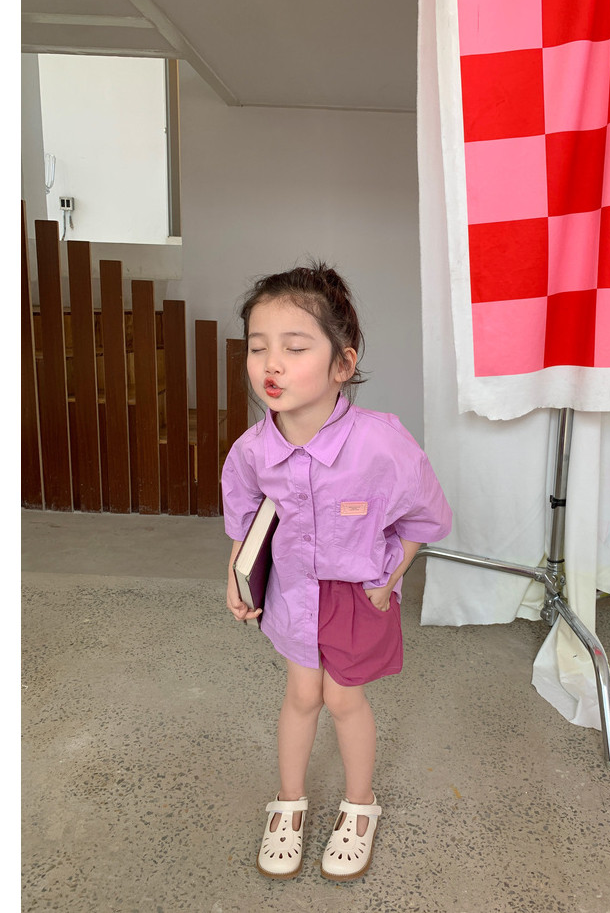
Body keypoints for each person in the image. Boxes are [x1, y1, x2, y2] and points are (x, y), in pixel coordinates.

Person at [222, 261, 452, 882]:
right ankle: (289, 803)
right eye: (258, 348)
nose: (271, 365)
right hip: (293, 593)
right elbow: (245, 516)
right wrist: (236, 574)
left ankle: (360, 804)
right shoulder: (252, 450)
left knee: (343, 698)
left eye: (295, 348)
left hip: (356, 596)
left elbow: (426, 517)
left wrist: (390, 578)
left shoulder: (382, 444)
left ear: (342, 365)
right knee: (301, 694)